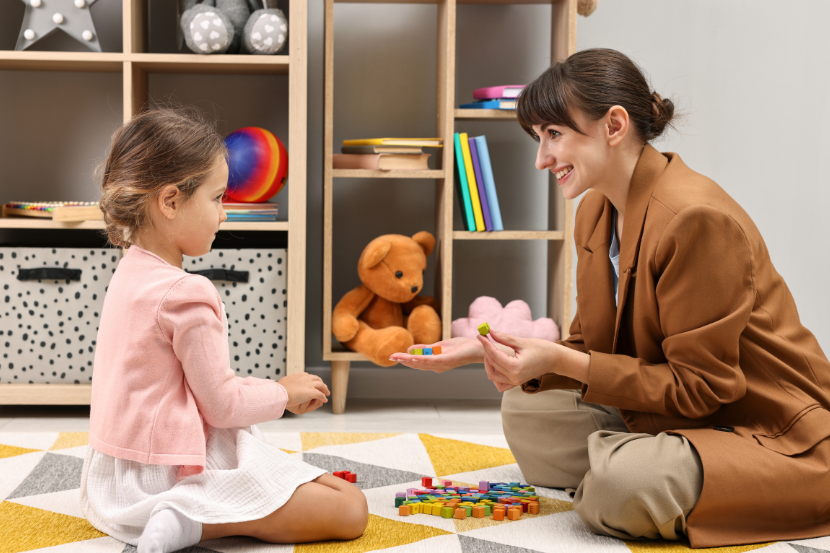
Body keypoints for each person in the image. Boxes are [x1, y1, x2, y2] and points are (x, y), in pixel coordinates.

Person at [391, 48, 830, 548]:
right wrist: (495, 348)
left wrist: (560, 361)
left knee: (617, 490)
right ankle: (644, 463)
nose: (541, 159)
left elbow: (703, 391)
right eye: (539, 138)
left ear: (614, 125)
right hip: (682, 415)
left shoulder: (696, 219)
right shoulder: (596, 210)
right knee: (526, 408)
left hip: (769, 430)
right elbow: (591, 344)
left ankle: (645, 471)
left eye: (554, 135)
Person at [81, 107, 368, 553]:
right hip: (172, 470)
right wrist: (282, 395)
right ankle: (192, 518)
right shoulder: (186, 293)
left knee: (317, 483)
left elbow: (187, 388)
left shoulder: (129, 273)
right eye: (218, 199)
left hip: (113, 478)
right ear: (171, 201)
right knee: (350, 507)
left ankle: (186, 513)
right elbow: (221, 406)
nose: (226, 215)